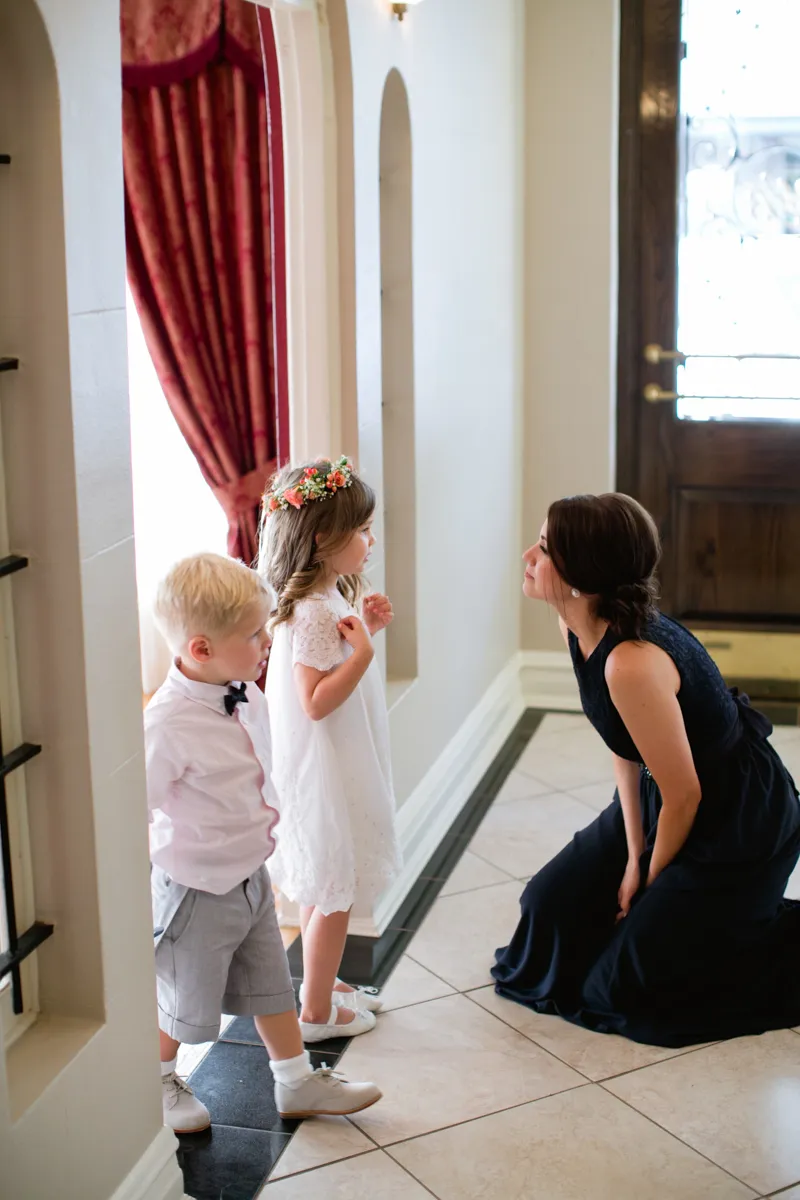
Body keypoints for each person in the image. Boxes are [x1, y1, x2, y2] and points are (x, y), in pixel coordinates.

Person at [493, 493, 800, 1047]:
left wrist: (646, 882)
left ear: (583, 575)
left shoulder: (631, 662)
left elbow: (686, 796)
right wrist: (633, 851)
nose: (528, 557)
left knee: (626, 987)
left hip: (736, 817)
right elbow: (624, 740)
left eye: (544, 549)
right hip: (670, 793)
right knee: (547, 908)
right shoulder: (576, 626)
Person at [146, 552, 382, 1134]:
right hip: (198, 886)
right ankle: (156, 1080)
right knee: (184, 996)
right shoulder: (168, 723)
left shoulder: (241, 692)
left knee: (270, 985)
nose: (267, 642)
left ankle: (295, 1079)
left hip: (250, 875)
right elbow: (138, 807)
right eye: (254, 635)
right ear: (202, 648)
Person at [260, 457, 401, 1044]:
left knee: (328, 881)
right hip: (327, 765)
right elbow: (315, 701)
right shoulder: (315, 610)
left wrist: (364, 629)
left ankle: (327, 982)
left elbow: (325, 669)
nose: (371, 541)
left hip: (335, 756)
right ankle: (315, 1013)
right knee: (334, 889)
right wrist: (363, 654)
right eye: (362, 530)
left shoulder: (326, 597)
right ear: (323, 538)